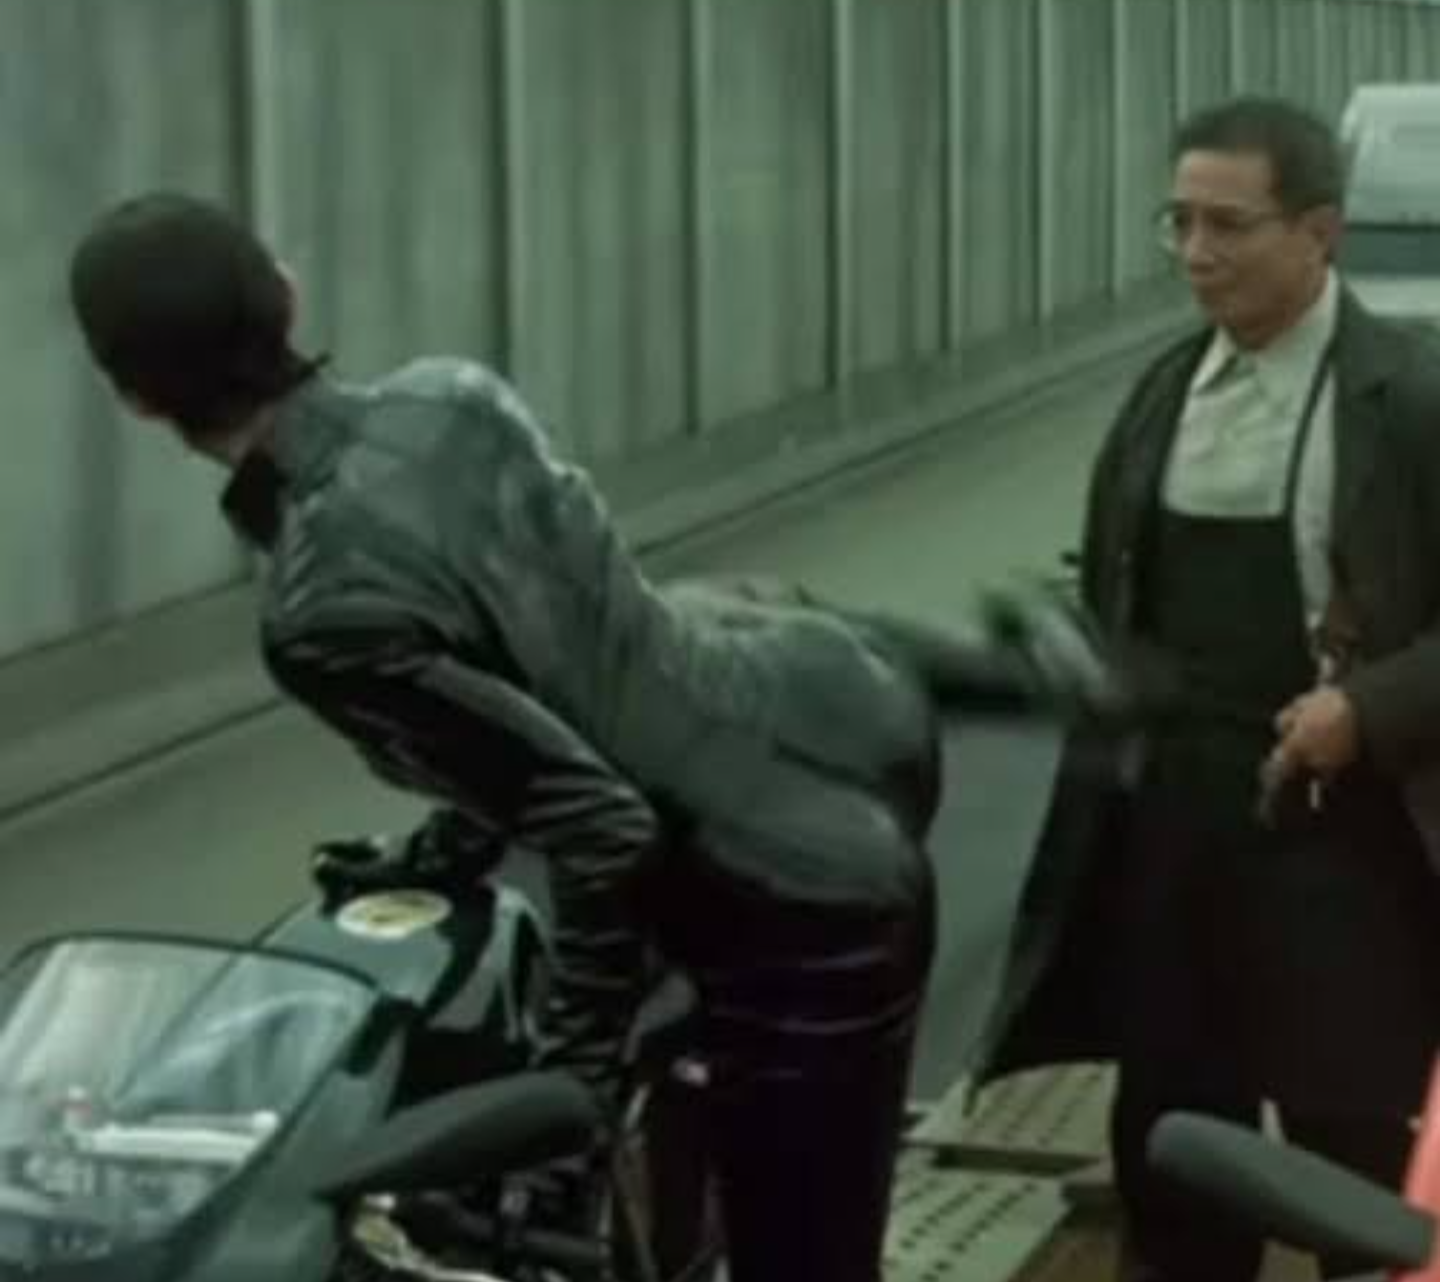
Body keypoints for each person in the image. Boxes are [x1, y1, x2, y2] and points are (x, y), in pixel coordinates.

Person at [66, 192, 1114, 1282]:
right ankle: (1037, 670)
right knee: (705, 612)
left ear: (135, 399)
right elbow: (545, 668)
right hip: (824, 704)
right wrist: (457, 833)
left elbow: (603, 824)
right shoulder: (454, 396)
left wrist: (574, 1097)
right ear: (286, 293)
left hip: (796, 903)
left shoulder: (315, 612)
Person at [970, 96, 1440, 1282]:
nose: (1194, 251)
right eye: (1178, 220)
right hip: (1171, 837)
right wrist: (1070, 653)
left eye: (1228, 224)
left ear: (1321, 231)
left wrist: (1366, 709)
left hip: (1347, 843)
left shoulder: (1411, 400)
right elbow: (1119, 601)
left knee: (1355, 1152)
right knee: (1175, 1138)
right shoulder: (1161, 396)